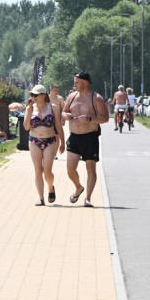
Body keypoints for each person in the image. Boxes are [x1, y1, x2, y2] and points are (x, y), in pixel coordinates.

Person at [62, 71, 109, 207]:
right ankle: (78, 187)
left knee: (90, 167)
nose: (74, 84)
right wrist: (67, 115)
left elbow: (105, 118)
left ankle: (88, 198)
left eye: (76, 82)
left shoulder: (96, 98)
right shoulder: (71, 97)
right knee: (70, 169)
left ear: (85, 82)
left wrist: (90, 119)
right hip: (75, 137)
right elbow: (63, 112)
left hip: (90, 137)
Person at [24, 85, 64, 205]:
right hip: (34, 141)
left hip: (50, 141)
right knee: (38, 170)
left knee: (47, 171)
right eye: (32, 95)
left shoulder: (53, 108)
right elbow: (26, 127)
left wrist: (62, 142)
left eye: (36, 95)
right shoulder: (29, 108)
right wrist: (29, 111)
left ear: (43, 95)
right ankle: (41, 198)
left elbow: (58, 126)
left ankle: (51, 187)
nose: (33, 97)